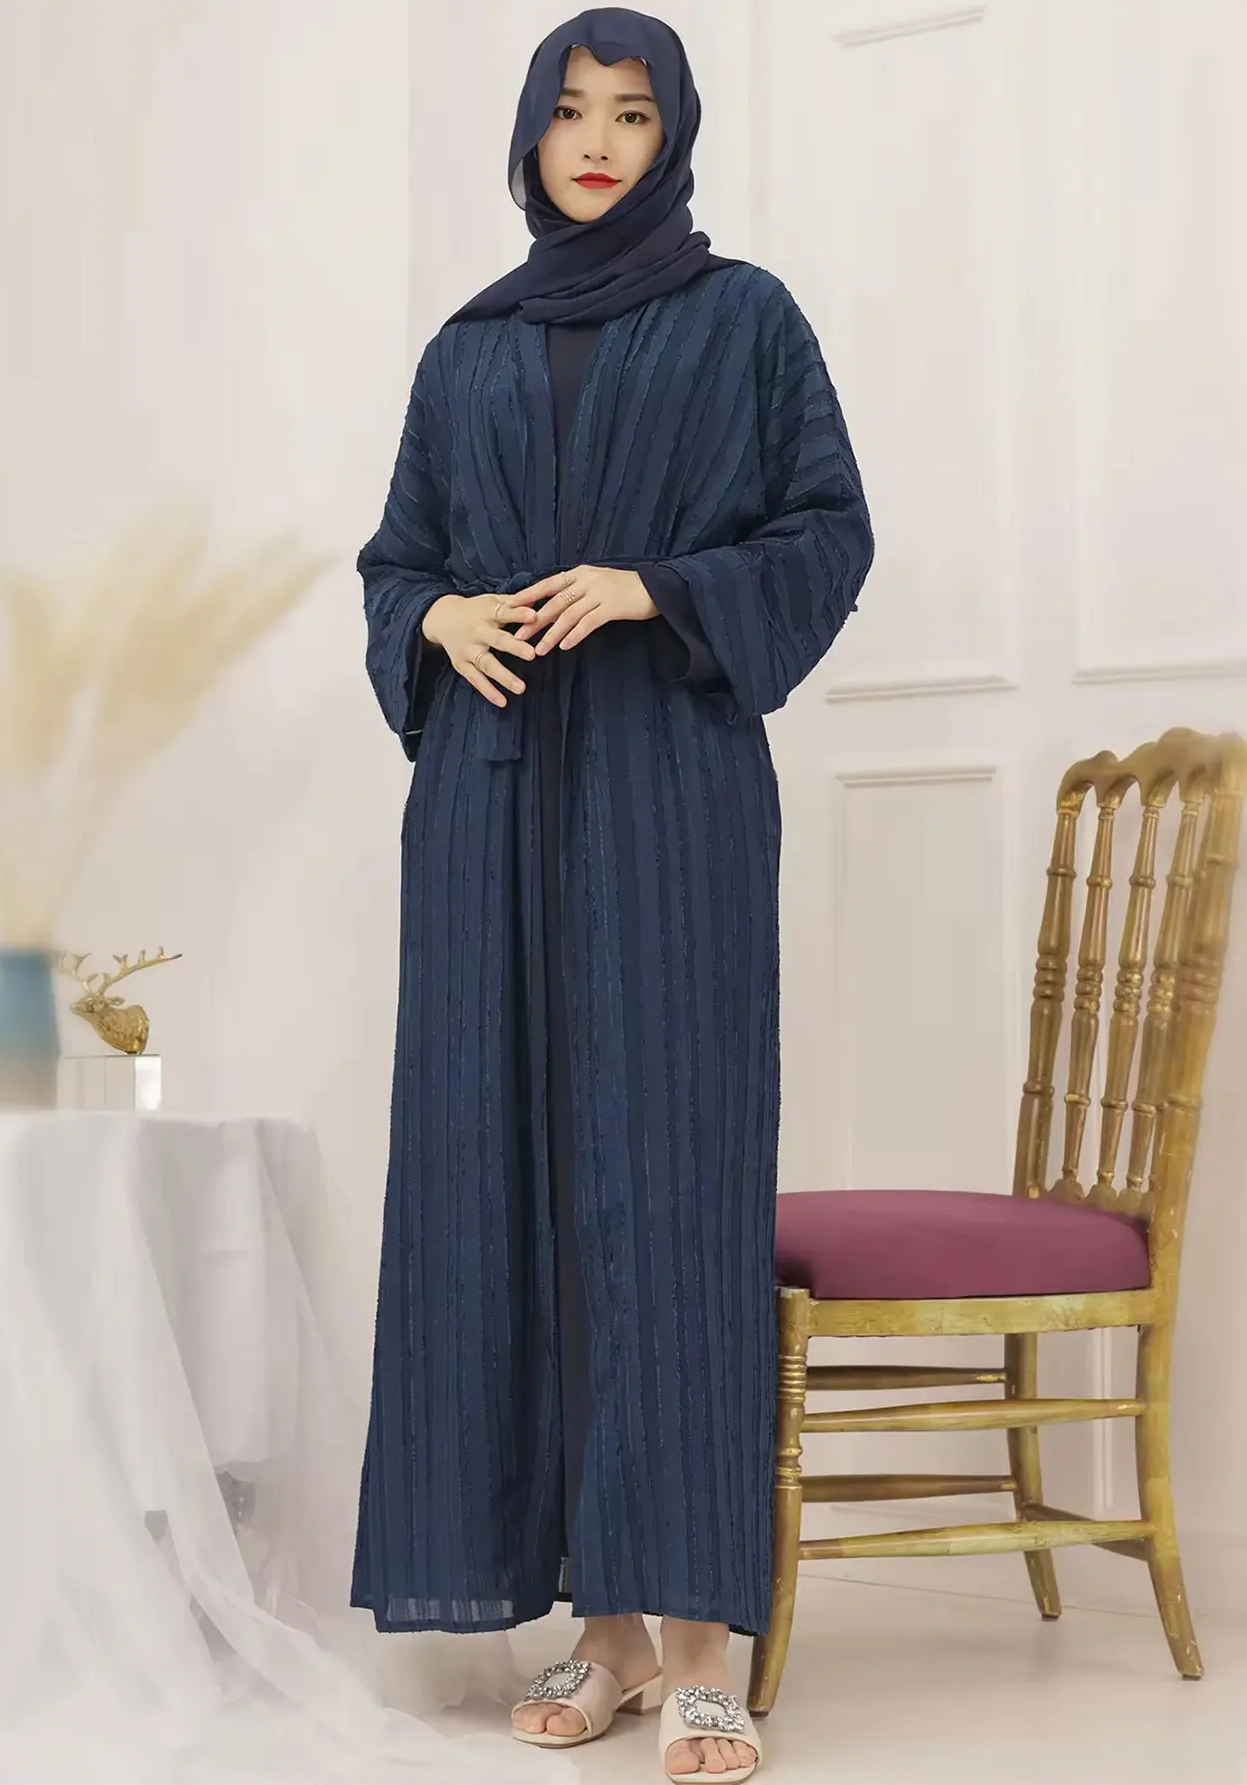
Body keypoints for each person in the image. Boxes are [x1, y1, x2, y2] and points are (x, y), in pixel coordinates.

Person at [351, 10, 873, 1780]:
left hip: (669, 802)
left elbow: (828, 532)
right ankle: (607, 1635)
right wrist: (436, 615)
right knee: (513, 1195)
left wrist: (654, 588)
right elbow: (398, 559)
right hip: (487, 808)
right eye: (569, 110)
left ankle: (705, 1642)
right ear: (528, 131)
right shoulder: (467, 350)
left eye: (632, 113)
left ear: (675, 135)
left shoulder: (746, 320)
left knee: (671, 1201)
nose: (595, 138)